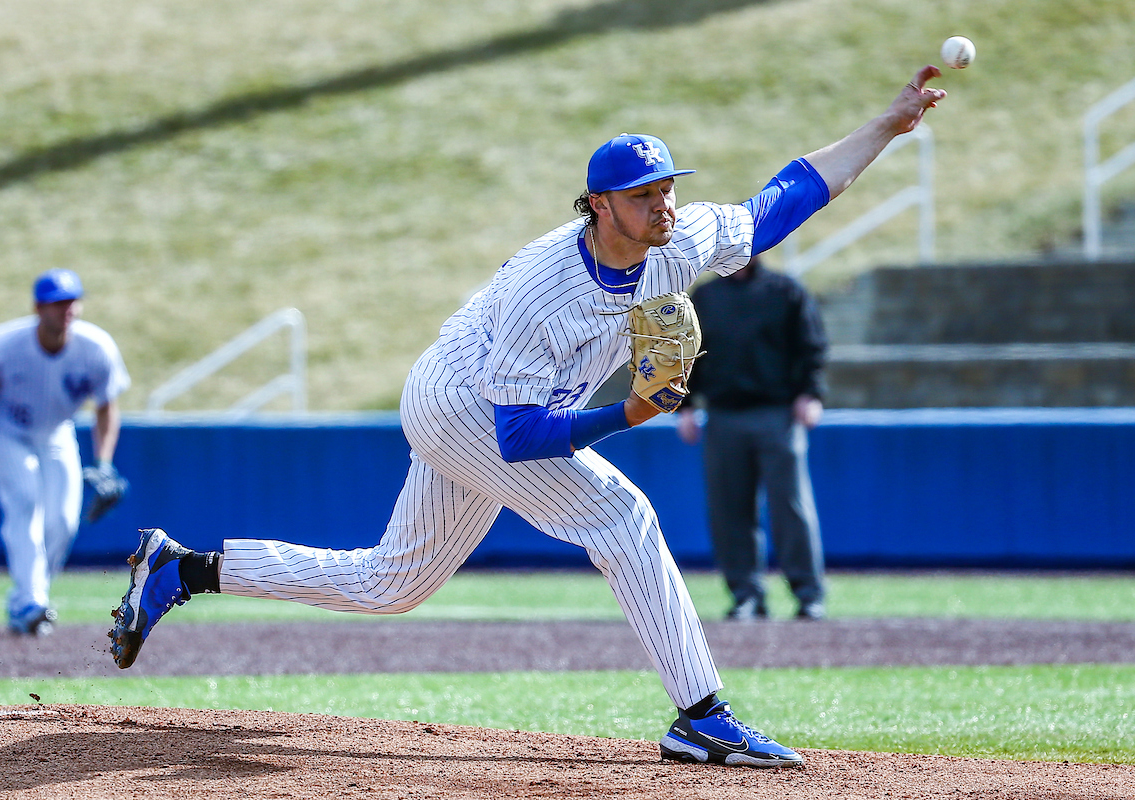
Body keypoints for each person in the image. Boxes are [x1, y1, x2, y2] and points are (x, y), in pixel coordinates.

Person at [109, 66, 947, 768]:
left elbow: (784, 200)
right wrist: (631, 411)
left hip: (491, 405)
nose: (662, 204)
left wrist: (887, 125)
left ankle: (183, 569)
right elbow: (517, 440)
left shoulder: (678, 241)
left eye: (665, 188)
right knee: (623, 517)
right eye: (641, 194)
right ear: (597, 205)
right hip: (462, 405)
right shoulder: (546, 289)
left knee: (391, 583)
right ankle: (701, 714)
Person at [0, 269, 130, 636]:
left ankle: (31, 598)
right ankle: (31, 601)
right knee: (25, 499)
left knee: (64, 521)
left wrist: (103, 462)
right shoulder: (3, 343)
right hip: (5, 431)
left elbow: (106, 406)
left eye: (71, 300)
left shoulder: (96, 347)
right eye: (56, 302)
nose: (65, 309)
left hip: (55, 432)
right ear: (38, 308)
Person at [676, 254, 828, 622]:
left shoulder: (785, 290)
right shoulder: (706, 297)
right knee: (729, 510)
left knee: (791, 507)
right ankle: (746, 594)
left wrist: (811, 393)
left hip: (777, 414)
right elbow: (688, 354)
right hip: (724, 415)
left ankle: (808, 594)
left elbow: (812, 345)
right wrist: (685, 406)